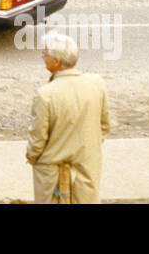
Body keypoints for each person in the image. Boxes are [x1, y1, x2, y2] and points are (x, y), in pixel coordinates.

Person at [26, 30, 110, 204]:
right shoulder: (96, 84)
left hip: (51, 173)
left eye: (45, 54)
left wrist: (32, 157)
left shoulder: (45, 94)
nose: (43, 57)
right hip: (86, 168)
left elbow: (38, 138)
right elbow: (104, 125)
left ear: (56, 61)